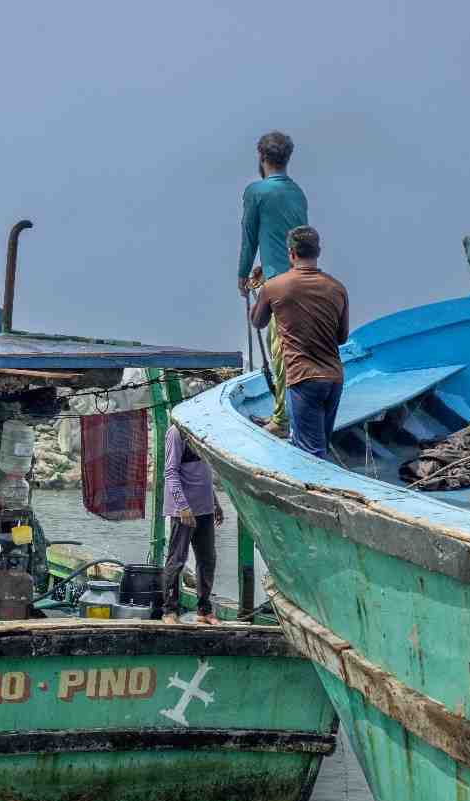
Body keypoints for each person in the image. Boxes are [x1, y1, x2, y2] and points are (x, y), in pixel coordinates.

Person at [249, 225, 349, 460]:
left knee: (310, 456)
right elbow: (342, 337)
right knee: (320, 447)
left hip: (303, 379)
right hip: (334, 379)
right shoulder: (337, 288)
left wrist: (259, 289)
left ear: (291, 253)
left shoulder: (274, 287)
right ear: (318, 251)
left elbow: (258, 321)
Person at [237, 131, 309, 438]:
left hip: (280, 285)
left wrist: (242, 275)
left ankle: (281, 421)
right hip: (301, 279)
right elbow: (287, 242)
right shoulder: (298, 193)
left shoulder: (257, 192)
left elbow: (250, 236)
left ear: (261, 156)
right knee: (291, 347)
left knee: (279, 349)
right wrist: (263, 269)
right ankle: (288, 412)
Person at [161, 422, 223, 625]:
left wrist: (215, 502)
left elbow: (204, 471)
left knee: (208, 560)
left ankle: (204, 610)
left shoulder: (202, 429)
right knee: (177, 559)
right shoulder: (176, 432)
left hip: (205, 508)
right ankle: (169, 611)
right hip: (184, 511)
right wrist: (182, 506)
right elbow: (170, 472)